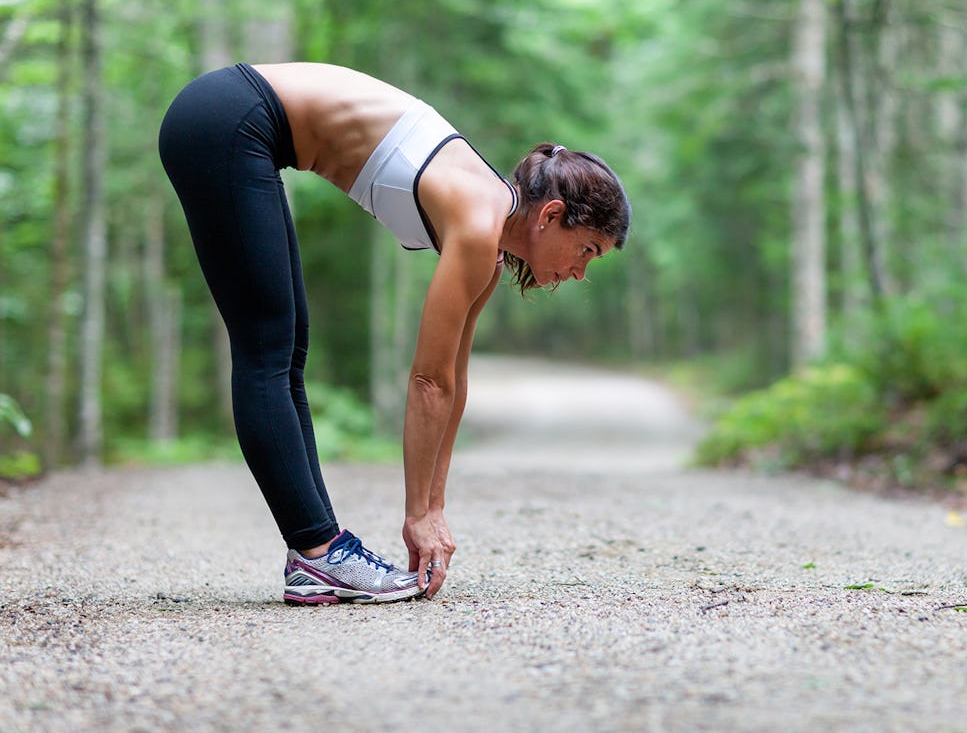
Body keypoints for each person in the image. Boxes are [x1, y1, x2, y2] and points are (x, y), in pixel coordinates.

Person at [158, 62, 630, 605]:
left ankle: (317, 554)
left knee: (285, 349)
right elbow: (427, 381)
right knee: (267, 348)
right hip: (229, 117)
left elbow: (453, 380)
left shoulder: (489, 245)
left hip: (239, 125)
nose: (580, 272)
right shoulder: (480, 223)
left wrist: (433, 510)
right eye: (587, 250)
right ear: (551, 214)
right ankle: (316, 554)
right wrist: (415, 516)